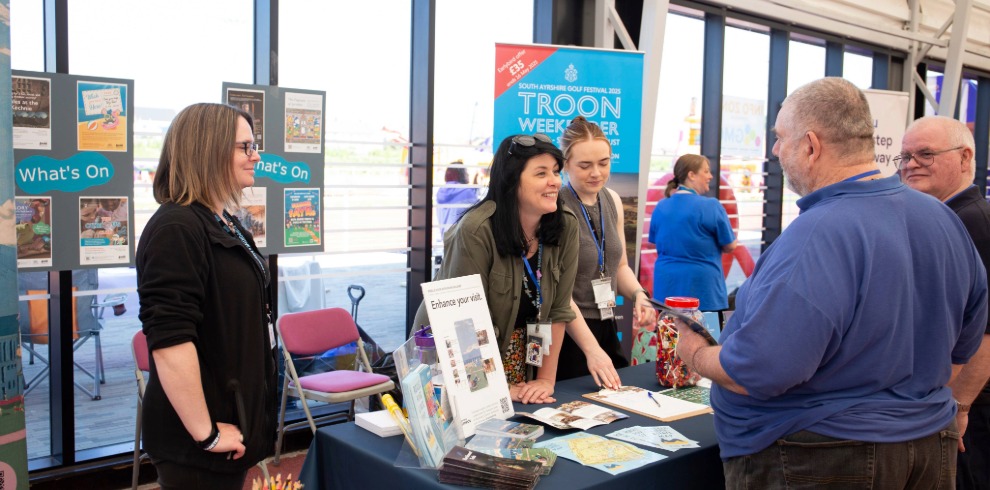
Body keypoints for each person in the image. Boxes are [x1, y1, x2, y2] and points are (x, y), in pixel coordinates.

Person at [673, 77, 988, 488]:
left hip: (822, 458)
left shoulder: (818, 234)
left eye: (779, 138)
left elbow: (758, 371)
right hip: (926, 446)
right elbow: (966, 343)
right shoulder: (942, 220)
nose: (774, 150)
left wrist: (696, 352)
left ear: (810, 145)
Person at [136, 103, 276, 489]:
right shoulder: (176, 228)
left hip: (231, 422)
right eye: (244, 147)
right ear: (209, 151)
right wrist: (207, 433)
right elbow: (170, 340)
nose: (255, 156)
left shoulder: (224, 221)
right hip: (199, 442)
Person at [414, 133, 579, 404]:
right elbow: (460, 322)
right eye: (541, 173)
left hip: (515, 368)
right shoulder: (476, 230)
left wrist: (545, 381)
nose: (554, 181)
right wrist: (492, 386)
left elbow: (559, 310)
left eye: (556, 171)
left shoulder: (566, 226)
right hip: (453, 363)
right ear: (512, 181)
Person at [900, 115, 990, 490]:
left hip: (970, 409)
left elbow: (987, 332)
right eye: (904, 157)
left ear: (965, 157)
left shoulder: (972, 223)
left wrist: (960, 405)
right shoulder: (946, 219)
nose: (910, 164)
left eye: (925, 153)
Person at [556, 116, 656, 389]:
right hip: (568, 332)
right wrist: (591, 349)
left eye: (604, 163)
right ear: (565, 165)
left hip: (607, 322)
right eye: (585, 166)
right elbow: (557, 292)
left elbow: (619, 265)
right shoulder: (555, 207)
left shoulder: (611, 200)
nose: (596, 173)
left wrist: (638, 295)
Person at [648, 154, 737, 313]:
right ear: (691, 175)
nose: (710, 176)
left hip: (666, 292)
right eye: (706, 171)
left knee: (671, 336)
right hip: (703, 293)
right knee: (704, 337)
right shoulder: (711, 206)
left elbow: (655, 241)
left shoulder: (661, 206)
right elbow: (730, 245)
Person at [436, 161, 478, 237]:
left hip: (446, 243)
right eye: (466, 171)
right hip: (461, 242)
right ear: (459, 174)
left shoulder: (440, 192)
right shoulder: (466, 192)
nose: (468, 174)